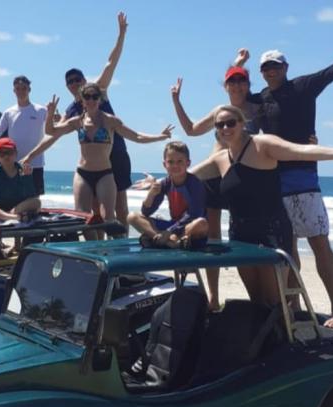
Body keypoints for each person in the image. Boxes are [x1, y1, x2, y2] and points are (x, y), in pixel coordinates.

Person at [240, 35, 333, 327]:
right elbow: (237, 95)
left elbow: (332, 72)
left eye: (275, 66)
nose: (270, 72)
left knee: (319, 242)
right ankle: (294, 306)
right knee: (289, 247)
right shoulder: (261, 99)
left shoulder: (302, 87)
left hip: (304, 178)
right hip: (273, 180)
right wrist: (238, 65)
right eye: (265, 68)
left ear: (285, 67)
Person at [196, 105, 333, 308]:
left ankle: (283, 335)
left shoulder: (262, 144)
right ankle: (265, 338)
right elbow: (185, 176)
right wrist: (156, 184)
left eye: (231, 122)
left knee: (274, 300)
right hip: (240, 234)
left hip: (271, 232)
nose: (225, 128)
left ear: (242, 123)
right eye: (220, 125)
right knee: (256, 300)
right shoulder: (220, 159)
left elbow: (301, 151)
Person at [23, 83, 173, 231]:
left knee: (108, 218)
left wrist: (160, 137)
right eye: (87, 97)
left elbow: (137, 136)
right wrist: (50, 113)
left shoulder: (110, 121)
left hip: (105, 173)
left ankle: (114, 250)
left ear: (100, 100)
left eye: (95, 97)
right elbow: (51, 131)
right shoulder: (77, 121)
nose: (91, 100)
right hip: (83, 174)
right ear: (82, 100)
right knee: (82, 218)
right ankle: (92, 251)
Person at [171, 67, 260, 309]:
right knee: (211, 238)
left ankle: (260, 297)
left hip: (242, 180)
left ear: (249, 84)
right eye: (232, 82)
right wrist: (176, 101)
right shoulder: (219, 112)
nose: (237, 86)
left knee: (244, 234)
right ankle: (213, 296)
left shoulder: (257, 110)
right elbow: (190, 130)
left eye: (242, 81)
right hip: (212, 178)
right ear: (226, 86)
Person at [62, 12, 133, 228]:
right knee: (93, 212)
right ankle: (98, 252)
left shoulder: (98, 91)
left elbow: (111, 62)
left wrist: (121, 34)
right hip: (92, 165)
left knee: (119, 208)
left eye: (77, 80)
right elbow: (54, 131)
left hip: (117, 155)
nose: (74, 84)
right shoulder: (72, 110)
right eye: (70, 82)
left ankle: (121, 249)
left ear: (84, 81)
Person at [128, 141, 209, 249]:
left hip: (187, 228)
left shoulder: (195, 184)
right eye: (171, 162)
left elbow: (194, 214)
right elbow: (146, 212)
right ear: (164, 164)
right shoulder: (165, 183)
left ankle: (161, 239)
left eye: (180, 161)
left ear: (188, 163)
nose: (175, 165)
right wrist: (151, 194)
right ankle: (171, 243)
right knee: (132, 217)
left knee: (201, 223)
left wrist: (169, 231)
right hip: (173, 227)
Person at [0, 75, 49, 196]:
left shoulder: (41, 110)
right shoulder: (9, 112)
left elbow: (54, 127)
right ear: (14, 91)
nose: (21, 91)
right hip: (13, 164)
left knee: (34, 199)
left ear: (29, 90)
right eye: (18, 88)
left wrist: (56, 116)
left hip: (35, 163)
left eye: (24, 88)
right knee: (15, 198)